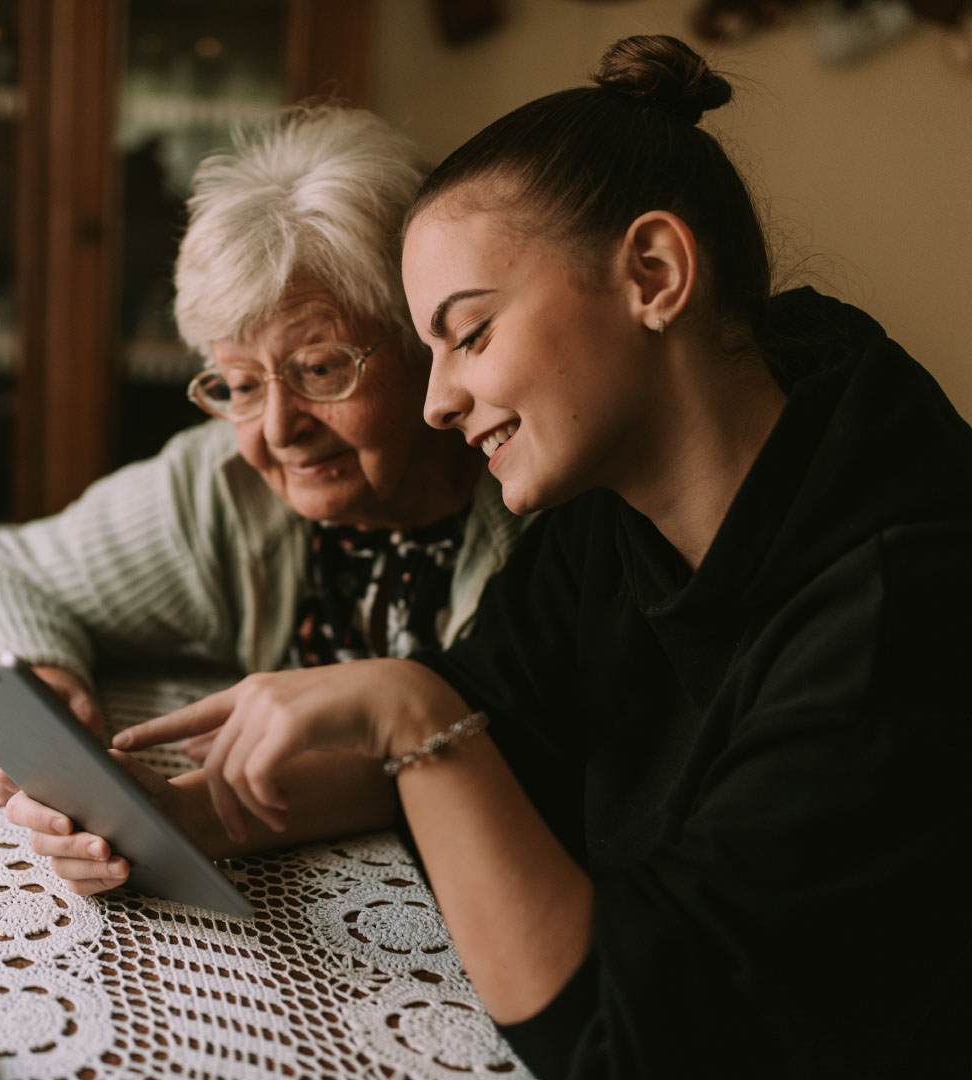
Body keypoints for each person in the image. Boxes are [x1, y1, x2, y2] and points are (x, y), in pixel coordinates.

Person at [85, 34, 972, 1078]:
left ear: (654, 273)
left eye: (469, 334)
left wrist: (416, 716)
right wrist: (179, 814)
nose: (436, 400)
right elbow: (497, 720)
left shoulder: (900, 612)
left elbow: (618, 1040)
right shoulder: (610, 516)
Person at [0, 103, 529, 894]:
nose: (280, 430)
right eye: (240, 384)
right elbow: (7, 571)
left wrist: (193, 813)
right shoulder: (221, 489)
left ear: (424, 337)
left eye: (322, 368)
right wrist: (48, 693)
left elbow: (517, 747)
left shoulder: (533, 506)